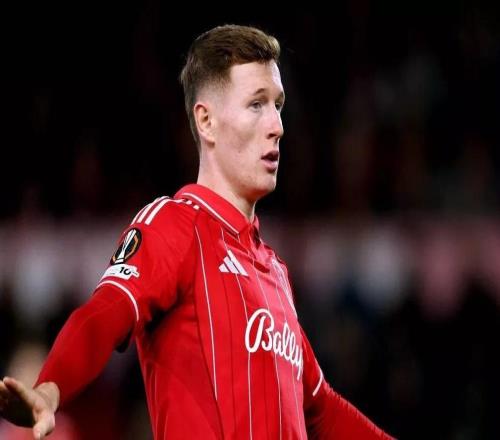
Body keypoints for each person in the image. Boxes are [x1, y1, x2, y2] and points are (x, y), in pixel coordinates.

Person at [0, 24, 394, 439]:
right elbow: (107, 311)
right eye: (256, 104)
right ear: (206, 121)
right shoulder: (175, 225)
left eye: (278, 105)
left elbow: (320, 406)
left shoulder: (274, 271)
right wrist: (49, 390)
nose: (277, 125)